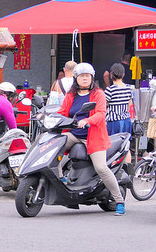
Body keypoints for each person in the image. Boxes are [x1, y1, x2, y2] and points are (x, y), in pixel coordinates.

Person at [58, 62, 126, 216]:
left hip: (93, 136)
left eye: (87, 76)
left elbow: (101, 113)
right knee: (53, 144)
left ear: (92, 78)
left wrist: (87, 121)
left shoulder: (99, 94)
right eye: (81, 76)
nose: (84, 79)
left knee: (101, 168)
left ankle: (119, 200)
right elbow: (62, 112)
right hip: (75, 134)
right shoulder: (71, 95)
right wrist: (47, 116)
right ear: (76, 78)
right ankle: (61, 178)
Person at [105, 63, 133, 136]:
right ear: (123, 75)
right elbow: (130, 104)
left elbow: (103, 105)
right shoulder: (128, 88)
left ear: (111, 75)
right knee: (125, 144)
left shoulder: (110, 90)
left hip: (114, 123)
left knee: (113, 145)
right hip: (126, 121)